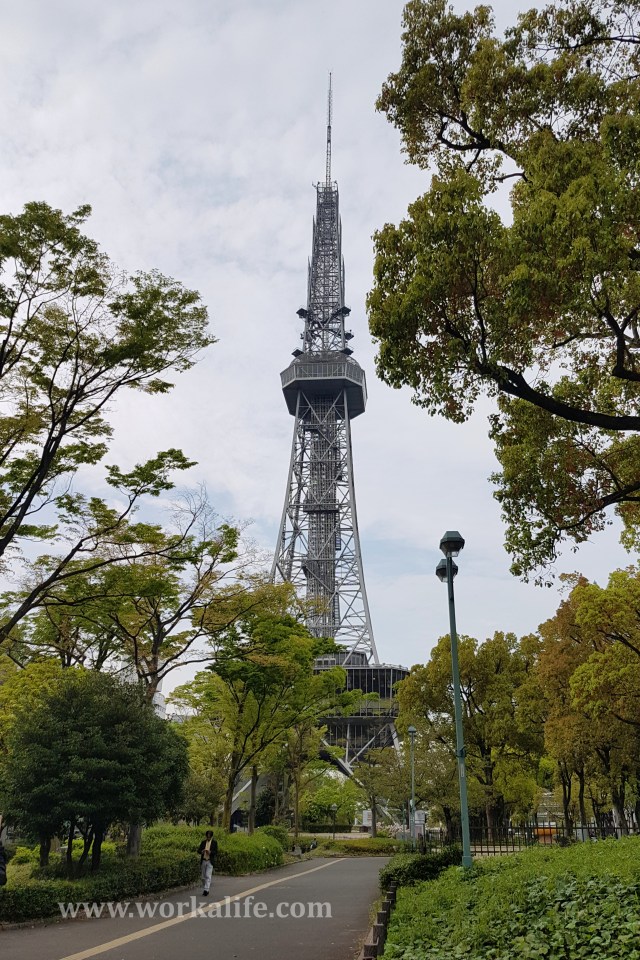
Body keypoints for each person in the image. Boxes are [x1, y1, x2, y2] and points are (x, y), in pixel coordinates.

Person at [197, 830, 218, 896]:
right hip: (203, 860)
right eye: (207, 836)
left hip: (210, 861)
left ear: (211, 836)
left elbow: (216, 852)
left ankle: (206, 890)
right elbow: (198, 850)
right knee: (203, 877)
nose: (208, 838)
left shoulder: (214, 843)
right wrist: (202, 851)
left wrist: (210, 852)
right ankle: (205, 887)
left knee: (208, 875)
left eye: (209, 837)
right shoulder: (203, 842)